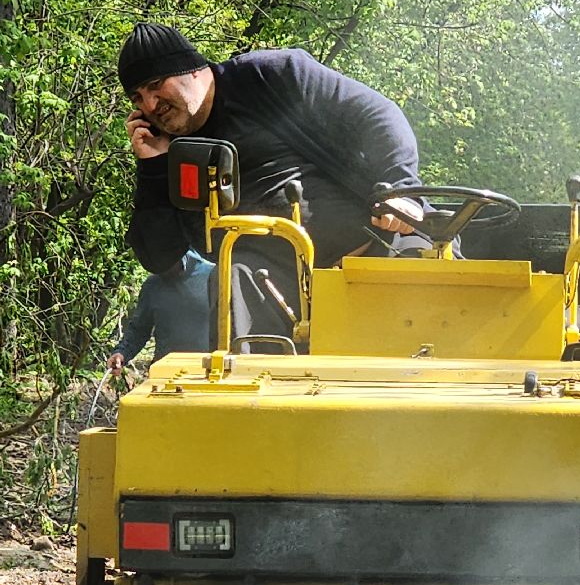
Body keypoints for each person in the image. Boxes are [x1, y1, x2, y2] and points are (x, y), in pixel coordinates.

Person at [116, 22, 426, 348]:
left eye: (156, 85)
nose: (150, 106)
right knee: (231, 277)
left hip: (376, 247)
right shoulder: (171, 154)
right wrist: (152, 168)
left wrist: (400, 187)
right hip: (276, 293)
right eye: (138, 98)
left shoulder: (269, 75)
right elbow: (160, 258)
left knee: (434, 282)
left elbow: (375, 114)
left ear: (191, 69)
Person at [106, 249, 214, 376]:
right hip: (165, 375)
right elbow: (139, 330)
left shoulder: (213, 276)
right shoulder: (152, 286)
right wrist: (121, 353)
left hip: (210, 374)